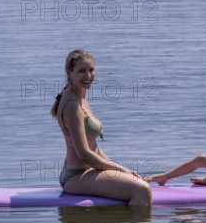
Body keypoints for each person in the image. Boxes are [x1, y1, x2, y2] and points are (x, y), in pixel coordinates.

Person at [51, 49, 151, 206]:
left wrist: (116, 168)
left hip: (88, 171)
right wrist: (121, 170)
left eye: (91, 70)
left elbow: (93, 145)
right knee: (142, 190)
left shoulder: (79, 96)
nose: (88, 76)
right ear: (70, 72)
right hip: (76, 176)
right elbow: (84, 153)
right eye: (82, 71)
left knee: (136, 183)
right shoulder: (72, 106)